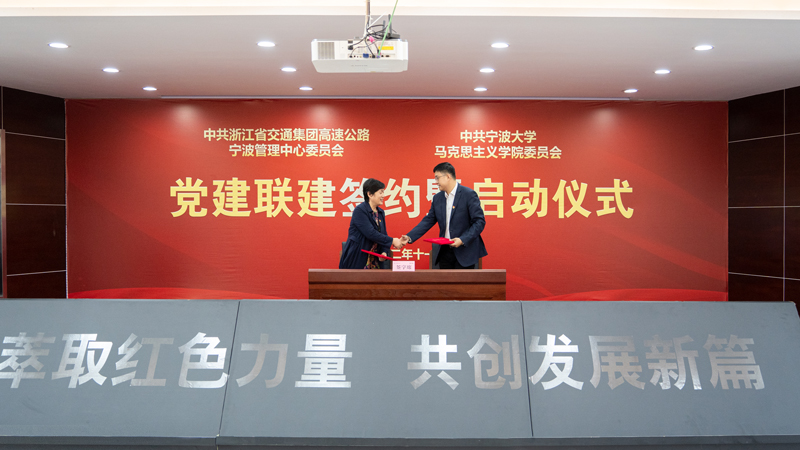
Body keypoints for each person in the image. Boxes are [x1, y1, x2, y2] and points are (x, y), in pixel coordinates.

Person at [402, 162, 487, 269]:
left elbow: (479, 222)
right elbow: (428, 220)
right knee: (445, 280)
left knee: (462, 281)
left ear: (448, 176)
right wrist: (409, 236)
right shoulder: (438, 198)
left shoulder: (468, 194)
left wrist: (462, 239)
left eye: (437, 178)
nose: (436, 182)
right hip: (445, 251)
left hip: (464, 251)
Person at [339, 178, 403, 269]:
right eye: (380, 192)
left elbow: (383, 234)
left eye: (383, 192)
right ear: (369, 194)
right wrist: (393, 241)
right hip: (358, 259)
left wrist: (384, 252)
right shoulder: (360, 210)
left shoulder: (380, 212)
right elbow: (371, 233)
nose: (383, 195)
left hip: (375, 262)